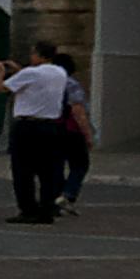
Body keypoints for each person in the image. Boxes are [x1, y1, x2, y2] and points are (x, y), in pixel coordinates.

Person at [0, 41, 75, 223]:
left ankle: (28, 209)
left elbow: (0, 88)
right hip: (51, 125)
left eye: (33, 53)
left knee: (23, 170)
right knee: (48, 170)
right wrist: (19, 71)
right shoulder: (59, 72)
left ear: (39, 55)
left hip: (28, 125)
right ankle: (47, 208)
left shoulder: (30, 73)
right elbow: (35, 81)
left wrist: (0, 73)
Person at [56, 48, 92, 213]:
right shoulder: (71, 84)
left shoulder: (48, 83)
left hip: (52, 128)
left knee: (56, 164)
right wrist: (88, 133)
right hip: (71, 129)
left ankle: (55, 195)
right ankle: (68, 194)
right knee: (80, 164)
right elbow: (78, 109)